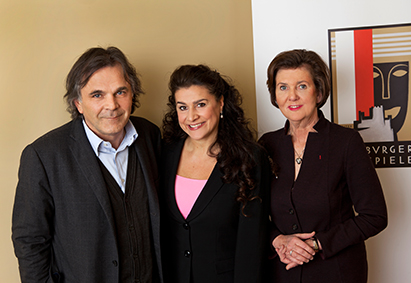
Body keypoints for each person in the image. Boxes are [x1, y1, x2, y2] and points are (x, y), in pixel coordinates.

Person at [12, 46, 163, 283]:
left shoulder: (150, 136)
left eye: (120, 92)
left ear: (132, 94)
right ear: (78, 103)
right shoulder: (43, 156)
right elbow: (30, 241)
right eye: (97, 95)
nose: (111, 105)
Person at [259, 49, 388, 283]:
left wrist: (317, 244)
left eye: (302, 86)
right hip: (281, 272)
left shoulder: (346, 143)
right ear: (275, 95)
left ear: (318, 92)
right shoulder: (266, 144)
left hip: (336, 271)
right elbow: (252, 213)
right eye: (283, 87)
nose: (292, 97)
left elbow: (374, 216)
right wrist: (278, 239)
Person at [160, 64, 270, 283]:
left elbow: (251, 244)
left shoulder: (249, 158)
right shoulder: (164, 153)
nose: (191, 116)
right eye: (182, 107)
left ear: (220, 103)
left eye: (200, 104)